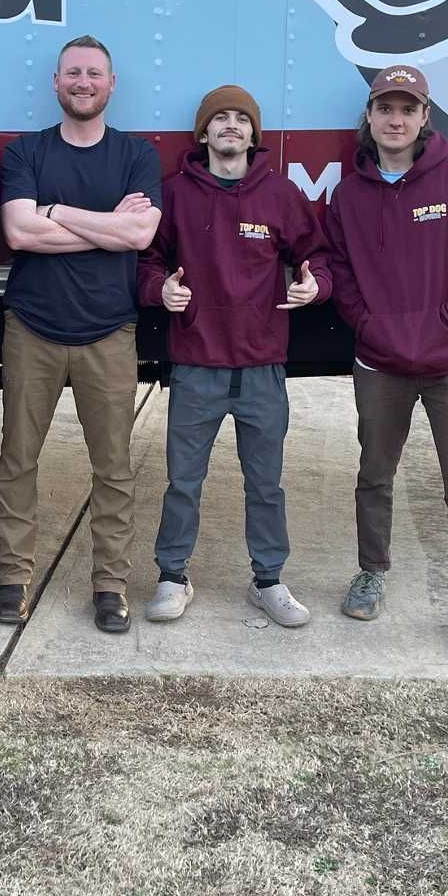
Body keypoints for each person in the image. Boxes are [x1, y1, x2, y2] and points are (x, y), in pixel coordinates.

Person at [326, 64, 448, 662]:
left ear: (425, 117)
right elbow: (342, 273)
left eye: (407, 109)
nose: (395, 119)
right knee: (374, 476)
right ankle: (372, 573)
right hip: (382, 362)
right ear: (370, 118)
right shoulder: (349, 194)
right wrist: (370, 325)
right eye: (385, 108)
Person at [138, 85, 332, 626]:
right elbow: (145, 260)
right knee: (183, 482)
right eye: (219, 119)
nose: (230, 126)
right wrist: (160, 291)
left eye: (240, 120)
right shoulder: (176, 194)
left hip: (262, 366)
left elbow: (316, 255)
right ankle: (173, 576)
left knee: (266, 484)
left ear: (253, 134)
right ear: (203, 134)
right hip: (197, 363)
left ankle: (268, 580)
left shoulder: (280, 195)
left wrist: (315, 286)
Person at [0, 35, 161, 634]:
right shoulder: (25, 151)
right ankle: (14, 579)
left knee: (113, 469)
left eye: (94, 74)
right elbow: (18, 234)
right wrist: (107, 222)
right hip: (31, 328)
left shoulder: (137, 155)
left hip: (109, 332)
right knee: (17, 460)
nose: (83, 82)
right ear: (56, 84)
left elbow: (141, 236)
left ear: (111, 84)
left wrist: (57, 211)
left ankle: (110, 587)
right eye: (72, 73)